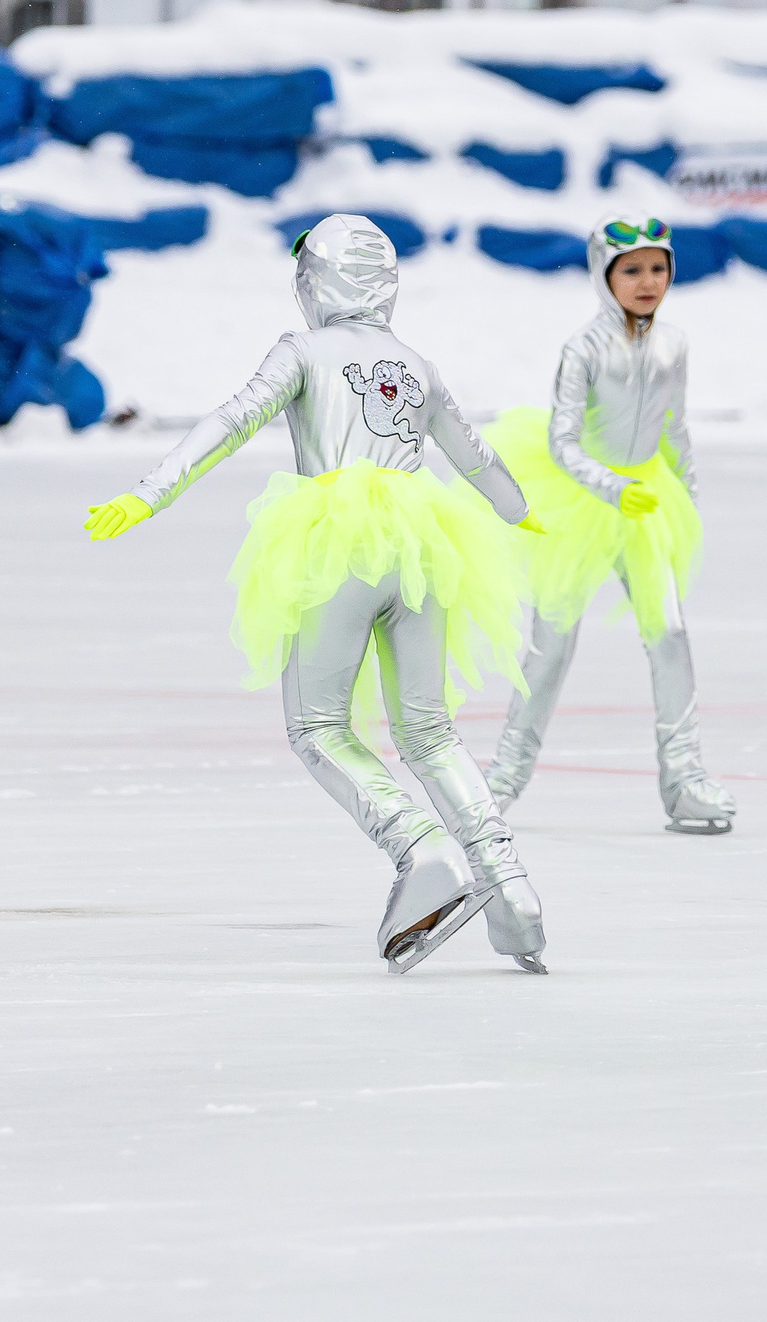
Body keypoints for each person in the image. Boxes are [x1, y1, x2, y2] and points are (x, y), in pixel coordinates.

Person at [82, 215, 553, 974]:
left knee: (318, 727)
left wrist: (150, 492)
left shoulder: (301, 350)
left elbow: (234, 419)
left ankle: (420, 848)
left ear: (314, 281)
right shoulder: (416, 362)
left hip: (338, 543)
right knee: (429, 731)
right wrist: (520, 512)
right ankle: (514, 896)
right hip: (424, 543)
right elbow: (475, 453)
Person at [483, 218, 738, 836]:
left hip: (647, 505)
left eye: (658, 268)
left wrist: (688, 495)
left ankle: (684, 781)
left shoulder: (675, 344)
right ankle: (498, 783)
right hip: (583, 505)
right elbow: (562, 441)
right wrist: (611, 487)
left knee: (670, 636)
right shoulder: (584, 349)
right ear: (604, 277)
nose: (648, 282)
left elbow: (674, 426)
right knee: (551, 646)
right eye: (631, 270)